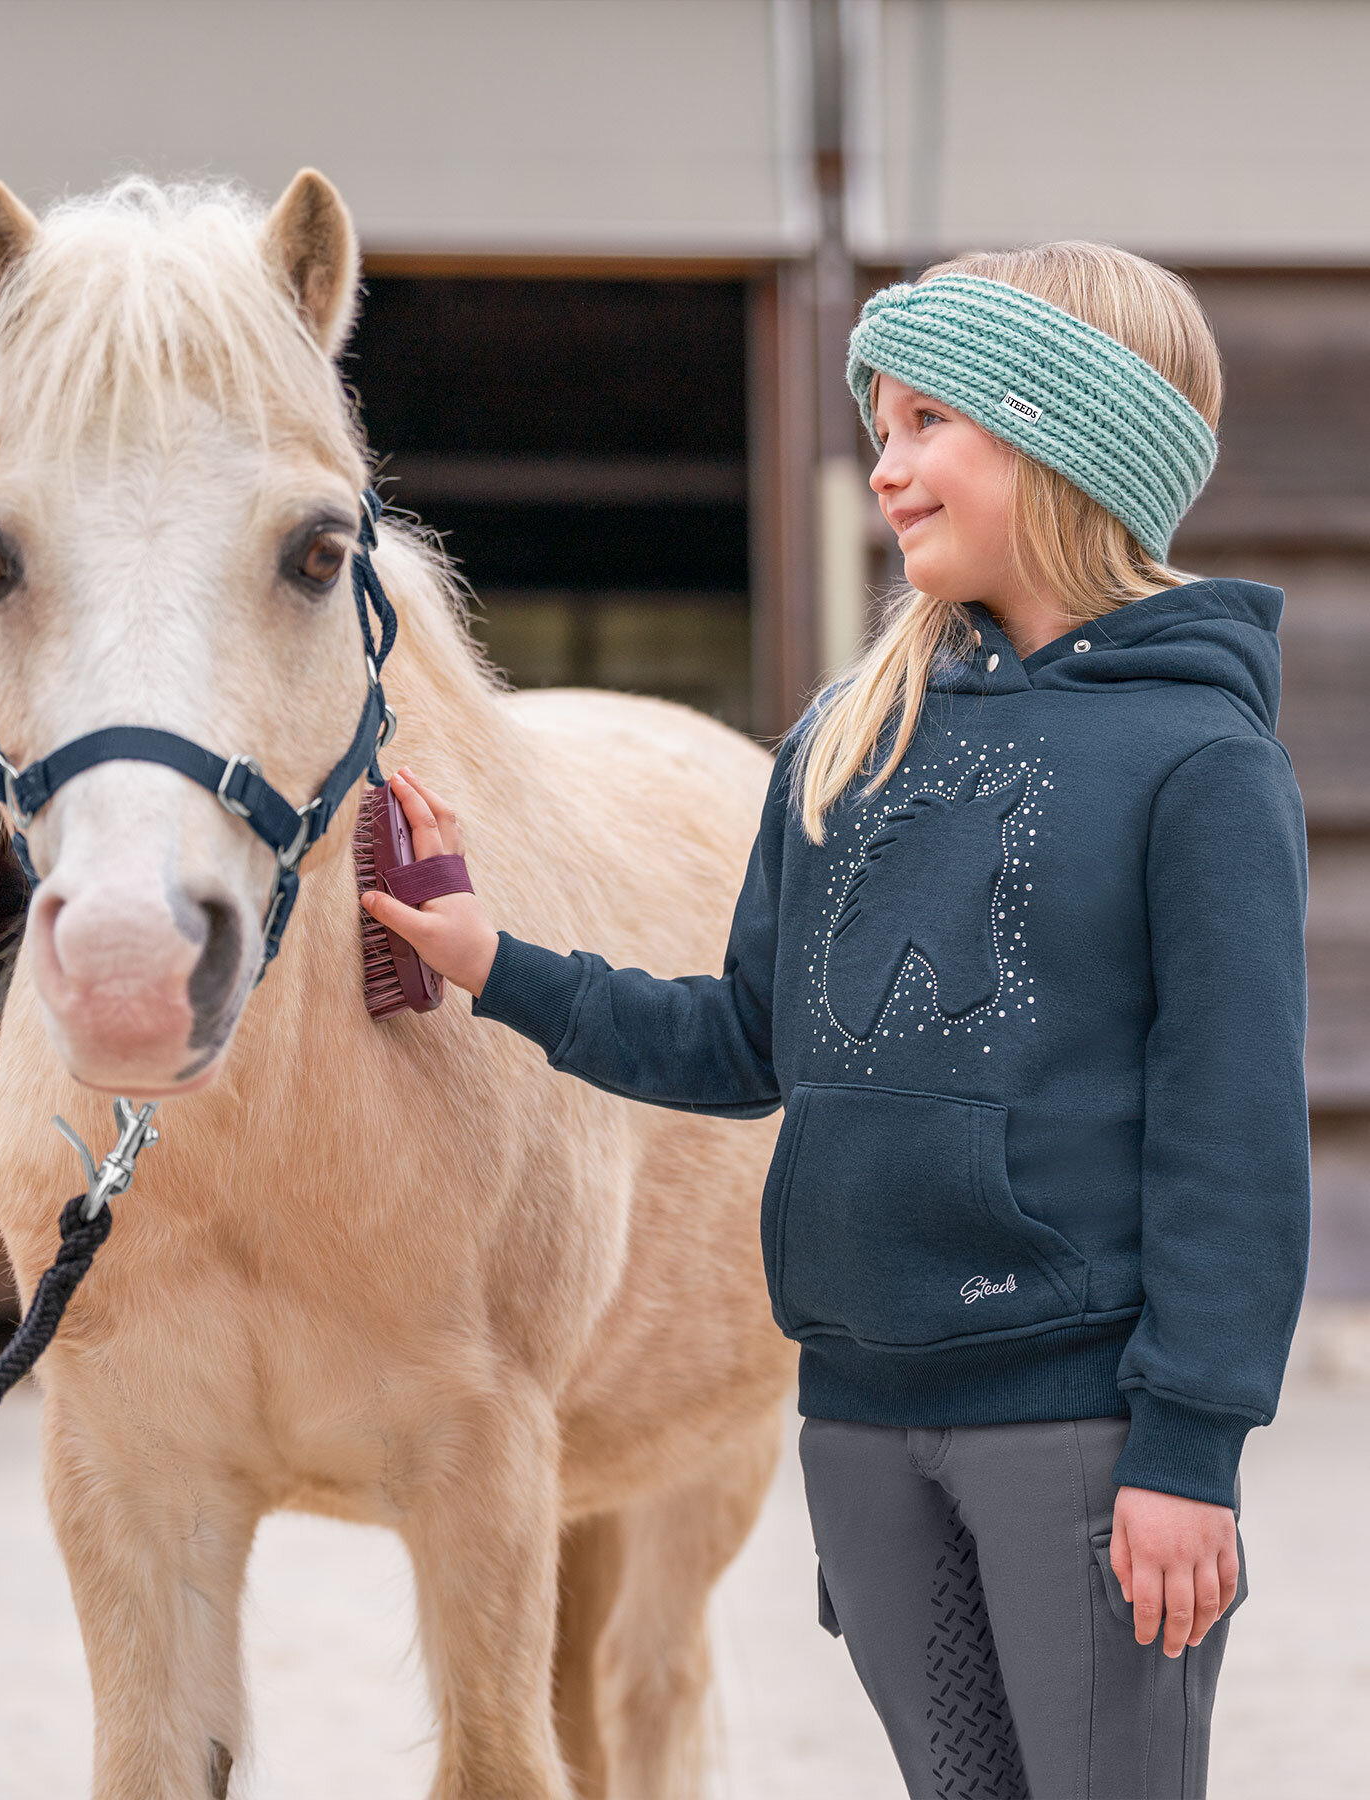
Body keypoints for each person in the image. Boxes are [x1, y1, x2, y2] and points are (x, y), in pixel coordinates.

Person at [360, 242, 1310, 1800]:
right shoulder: (845, 736)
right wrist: (496, 964)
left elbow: (1234, 1140)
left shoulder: (1196, 765)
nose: (886, 465)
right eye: (878, 427)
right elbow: (746, 1045)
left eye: (928, 420)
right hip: (864, 1429)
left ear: (1065, 437)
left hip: (1073, 1433)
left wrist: (1187, 1455)